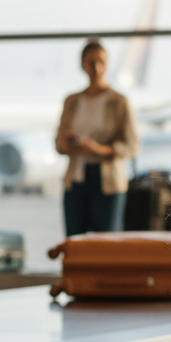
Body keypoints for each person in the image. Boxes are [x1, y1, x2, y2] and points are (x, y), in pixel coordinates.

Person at [55, 40, 138, 235]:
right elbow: (58, 142)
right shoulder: (72, 101)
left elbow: (131, 146)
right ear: (82, 65)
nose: (96, 68)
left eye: (101, 62)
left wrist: (96, 149)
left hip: (107, 182)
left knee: (107, 245)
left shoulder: (118, 102)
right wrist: (69, 143)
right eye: (91, 62)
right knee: (75, 242)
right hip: (76, 179)